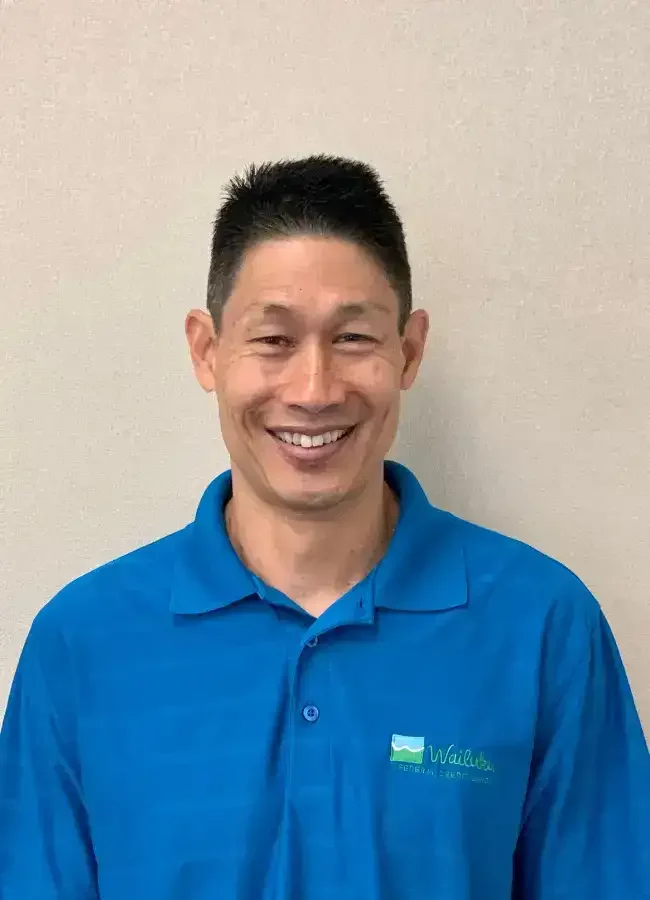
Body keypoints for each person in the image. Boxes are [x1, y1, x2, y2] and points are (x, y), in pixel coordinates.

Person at [1, 155, 648, 900]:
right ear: (207, 351)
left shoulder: (542, 625)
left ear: (409, 350)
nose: (313, 391)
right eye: (273, 340)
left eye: (353, 339)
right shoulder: (82, 643)